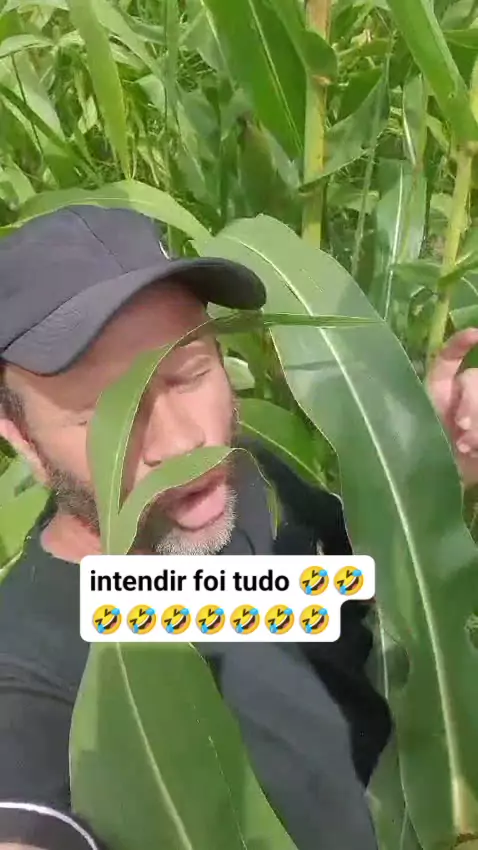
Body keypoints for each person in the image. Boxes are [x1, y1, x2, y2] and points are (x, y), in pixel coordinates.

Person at [0, 207, 475, 850]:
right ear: (21, 440)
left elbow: (335, 596)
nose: (182, 442)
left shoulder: (241, 485)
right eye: (105, 416)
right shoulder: (31, 670)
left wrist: (426, 481)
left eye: (190, 375)